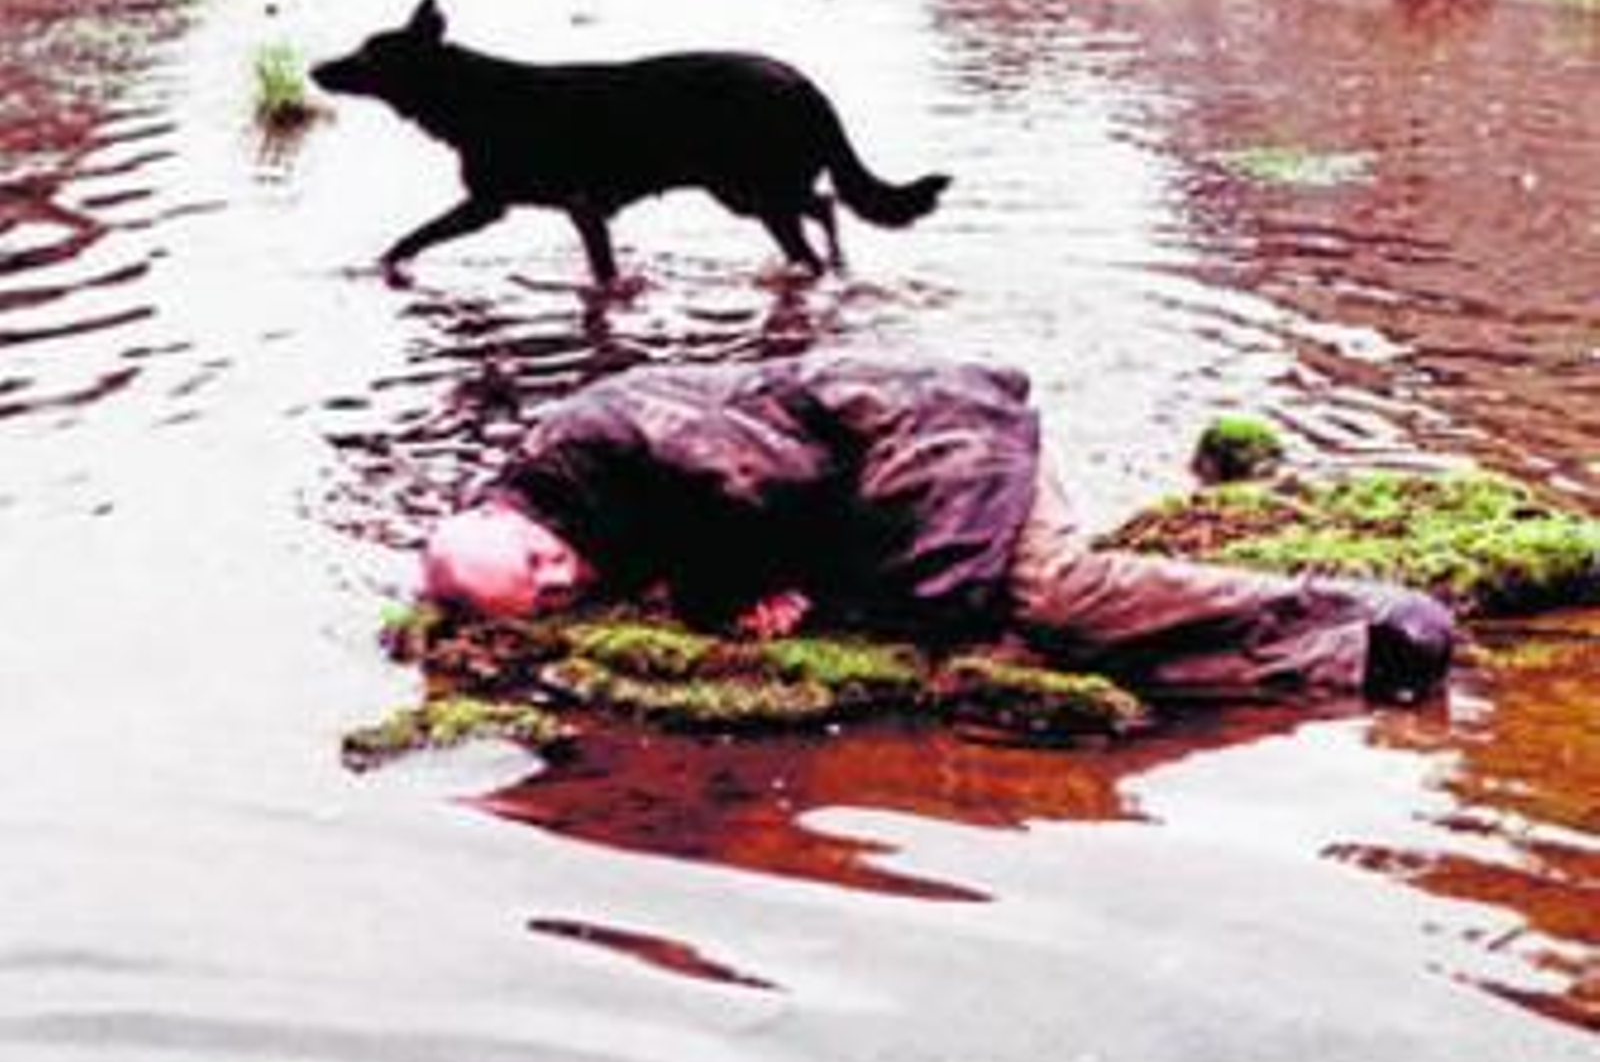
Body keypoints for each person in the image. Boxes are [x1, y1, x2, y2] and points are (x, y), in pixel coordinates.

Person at [420, 353, 1454, 705]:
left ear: (509, 518)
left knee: (1035, 604)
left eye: (547, 566)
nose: (565, 585)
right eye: (546, 599)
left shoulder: (598, 440)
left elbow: (755, 487)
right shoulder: (556, 512)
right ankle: (1335, 671)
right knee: (1013, 647)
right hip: (892, 474)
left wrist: (751, 593)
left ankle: (1364, 624)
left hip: (939, 437)